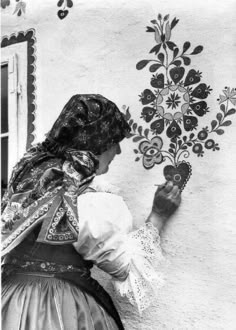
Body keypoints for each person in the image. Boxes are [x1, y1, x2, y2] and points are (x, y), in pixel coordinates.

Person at [1, 94, 181, 330]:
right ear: (97, 142)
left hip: (9, 303)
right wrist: (158, 215)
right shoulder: (85, 199)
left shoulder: (32, 179)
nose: (118, 151)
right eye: (114, 141)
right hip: (61, 308)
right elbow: (126, 268)